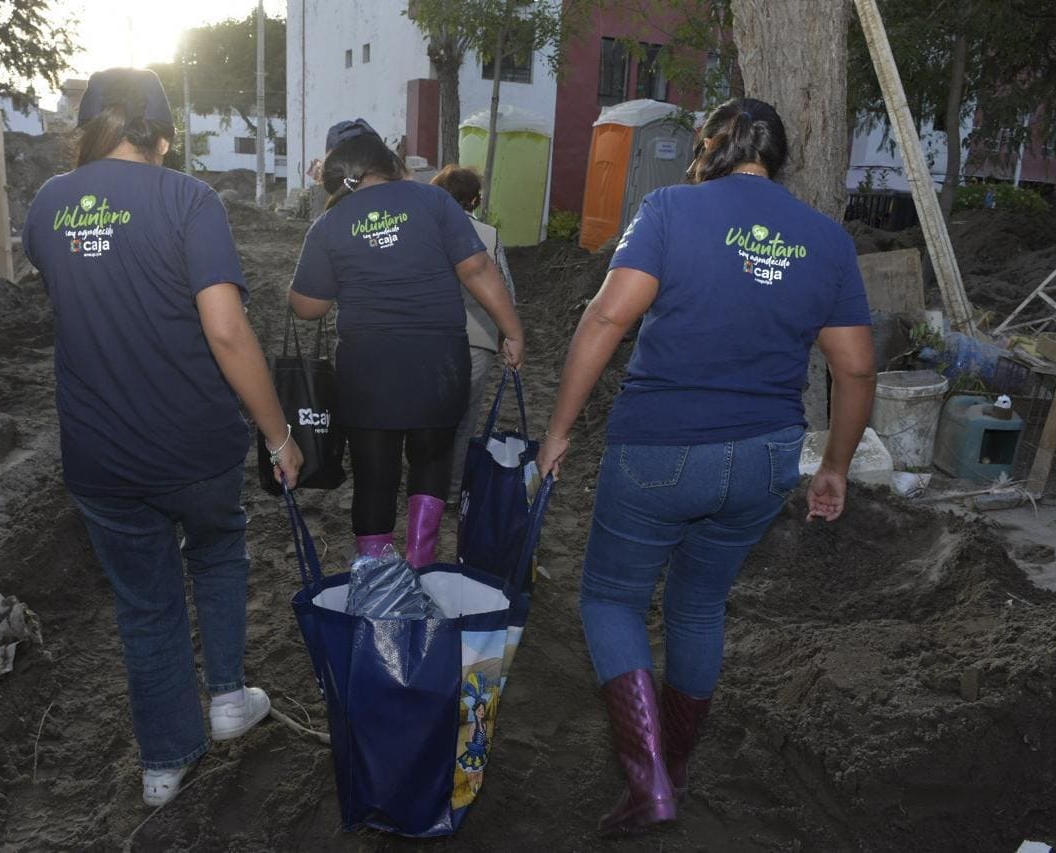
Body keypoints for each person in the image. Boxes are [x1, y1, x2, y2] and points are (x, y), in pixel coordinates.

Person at [535, 97, 875, 834]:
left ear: (711, 146)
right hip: (766, 459)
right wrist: (836, 465)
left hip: (661, 449)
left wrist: (559, 429)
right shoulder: (825, 239)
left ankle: (646, 775)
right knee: (697, 605)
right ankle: (676, 766)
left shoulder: (667, 210)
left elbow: (606, 318)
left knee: (611, 600)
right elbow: (855, 370)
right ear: (775, 156)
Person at [22, 68, 303, 808]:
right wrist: (278, 434)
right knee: (216, 552)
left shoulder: (48, 205)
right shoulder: (190, 200)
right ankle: (228, 698)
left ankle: (163, 764)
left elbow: (76, 297)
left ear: (88, 127)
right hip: (195, 447)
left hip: (100, 456)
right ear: (164, 133)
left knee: (145, 605)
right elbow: (225, 328)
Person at [288, 119, 524, 566]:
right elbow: (477, 270)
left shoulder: (329, 225)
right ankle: (421, 567)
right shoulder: (434, 200)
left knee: (375, 478)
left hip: (368, 371)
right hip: (439, 366)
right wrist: (512, 330)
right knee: (431, 464)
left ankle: (377, 581)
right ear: (387, 159)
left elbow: (309, 308)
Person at [429, 166, 517, 505]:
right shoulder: (488, 235)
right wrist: (508, 334)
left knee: (428, 416)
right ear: (475, 200)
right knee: (463, 422)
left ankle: (424, 488)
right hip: (477, 341)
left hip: (428, 338)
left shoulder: (425, 231)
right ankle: (451, 493)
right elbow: (506, 291)